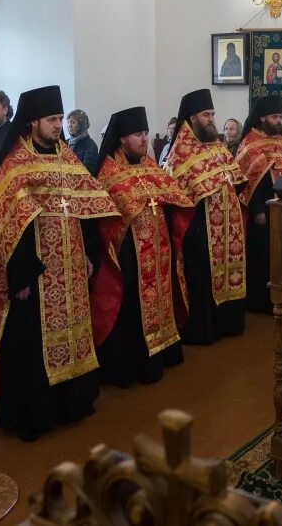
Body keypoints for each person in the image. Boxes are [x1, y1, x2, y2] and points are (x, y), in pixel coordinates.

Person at [0, 86, 119, 442]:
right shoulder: (16, 166)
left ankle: (73, 404)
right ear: (33, 121)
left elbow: (85, 207)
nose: (58, 126)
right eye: (52, 120)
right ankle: (34, 414)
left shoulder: (65, 157)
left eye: (59, 119)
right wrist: (20, 274)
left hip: (69, 265)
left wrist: (86, 252)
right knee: (31, 344)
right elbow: (8, 224)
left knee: (72, 332)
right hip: (35, 273)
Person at [90, 107, 192, 388]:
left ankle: (161, 353)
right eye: (138, 134)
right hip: (128, 254)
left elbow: (172, 196)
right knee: (132, 305)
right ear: (122, 139)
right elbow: (106, 219)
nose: (145, 138)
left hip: (158, 249)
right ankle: (132, 365)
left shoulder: (150, 166)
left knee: (160, 297)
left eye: (146, 133)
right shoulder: (109, 173)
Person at [163, 89, 248, 344]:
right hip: (199, 228)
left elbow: (238, 180)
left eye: (212, 114)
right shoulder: (180, 153)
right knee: (202, 277)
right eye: (205, 114)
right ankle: (203, 329)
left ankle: (228, 323)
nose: (211, 119)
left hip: (227, 227)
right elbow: (176, 197)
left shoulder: (218, 147)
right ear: (192, 118)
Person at [234, 95, 282, 314]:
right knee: (264, 254)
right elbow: (246, 179)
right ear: (262, 117)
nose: (279, 121)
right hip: (264, 211)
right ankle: (263, 300)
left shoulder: (281, 142)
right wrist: (257, 210)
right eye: (275, 117)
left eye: (280, 117)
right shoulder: (249, 144)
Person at [67, 109, 99, 175]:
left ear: (82, 125)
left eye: (73, 122)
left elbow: (88, 172)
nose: (69, 125)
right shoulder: (64, 142)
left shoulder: (90, 145)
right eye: (68, 122)